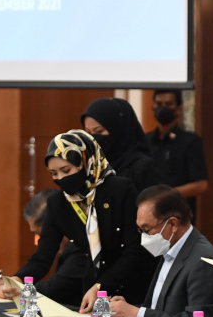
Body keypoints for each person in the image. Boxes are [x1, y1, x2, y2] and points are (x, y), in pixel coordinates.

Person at [12, 131, 151, 305]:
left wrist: (100, 287)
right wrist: (17, 280)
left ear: (86, 162)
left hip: (131, 287)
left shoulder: (120, 190)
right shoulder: (58, 204)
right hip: (92, 291)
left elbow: (133, 250)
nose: (61, 178)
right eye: (54, 173)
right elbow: (42, 257)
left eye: (66, 170)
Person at [97, 184, 213, 317]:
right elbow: (160, 310)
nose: (143, 237)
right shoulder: (171, 247)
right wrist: (126, 309)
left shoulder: (203, 260)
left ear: (173, 224)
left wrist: (137, 313)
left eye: (146, 230)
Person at [0, 192, 89, 304]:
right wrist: (14, 282)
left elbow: (56, 288)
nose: (38, 241)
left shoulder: (81, 246)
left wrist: (18, 289)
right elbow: (40, 259)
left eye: (41, 234)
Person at [146, 90, 209, 220]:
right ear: (153, 107)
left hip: (179, 214)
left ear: (179, 109)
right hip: (148, 214)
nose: (163, 108)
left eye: (168, 104)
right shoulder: (145, 140)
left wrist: (167, 195)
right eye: (159, 104)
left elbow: (201, 184)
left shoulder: (190, 141)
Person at [81, 97, 162, 191]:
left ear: (117, 130)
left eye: (99, 131)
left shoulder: (142, 167)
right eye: (88, 132)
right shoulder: (90, 166)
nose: (92, 138)